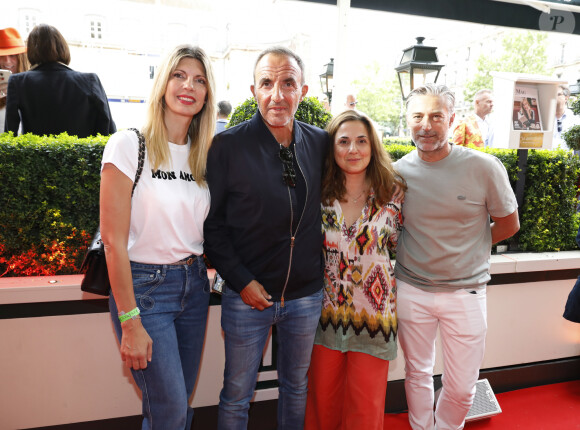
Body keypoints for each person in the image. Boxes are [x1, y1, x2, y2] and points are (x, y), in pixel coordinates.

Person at [204, 46, 328, 430]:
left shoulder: (321, 142)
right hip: (248, 297)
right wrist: (241, 281)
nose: (278, 94)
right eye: (267, 83)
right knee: (237, 393)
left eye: (288, 83)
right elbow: (212, 227)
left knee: (296, 387)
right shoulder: (228, 146)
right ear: (253, 90)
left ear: (303, 90)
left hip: (305, 296)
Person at [100, 44, 216, 430]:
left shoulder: (203, 155)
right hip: (144, 292)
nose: (189, 85)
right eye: (179, 75)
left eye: (199, 80)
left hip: (195, 286)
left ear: (207, 94)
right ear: (163, 82)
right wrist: (130, 321)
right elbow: (113, 242)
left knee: (174, 406)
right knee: (171, 411)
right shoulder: (129, 144)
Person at [394, 83, 520, 430]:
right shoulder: (397, 172)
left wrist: (472, 246)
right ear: (407, 120)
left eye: (436, 116)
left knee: (463, 388)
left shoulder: (484, 167)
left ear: (451, 119)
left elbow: (509, 224)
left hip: (466, 293)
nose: (427, 125)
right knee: (416, 373)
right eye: (418, 116)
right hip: (411, 290)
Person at [304, 110, 406, 430]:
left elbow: (409, 245)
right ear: (331, 148)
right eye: (343, 141)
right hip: (323, 314)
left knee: (366, 408)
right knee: (323, 403)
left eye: (361, 141)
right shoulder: (316, 194)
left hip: (374, 316)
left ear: (373, 146)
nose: (353, 150)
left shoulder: (394, 193)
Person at [5, 24, 116, 137]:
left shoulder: (18, 82)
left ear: (31, 51)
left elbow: (9, 133)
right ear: (63, 47)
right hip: (82, 153)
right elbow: (108, 126)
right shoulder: (90, 80)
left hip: (36, 153)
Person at [0, 27, 29, 133]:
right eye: (2, 55)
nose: (7, 62)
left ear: (21, 58)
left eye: (12, 55)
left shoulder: (32, 84)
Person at [553, 85, 580, 151]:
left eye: (558, 94)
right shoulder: (544, 119)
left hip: (568, 159)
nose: (554, 97)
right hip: (546, 158)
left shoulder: (575, 120)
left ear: (566, 98)